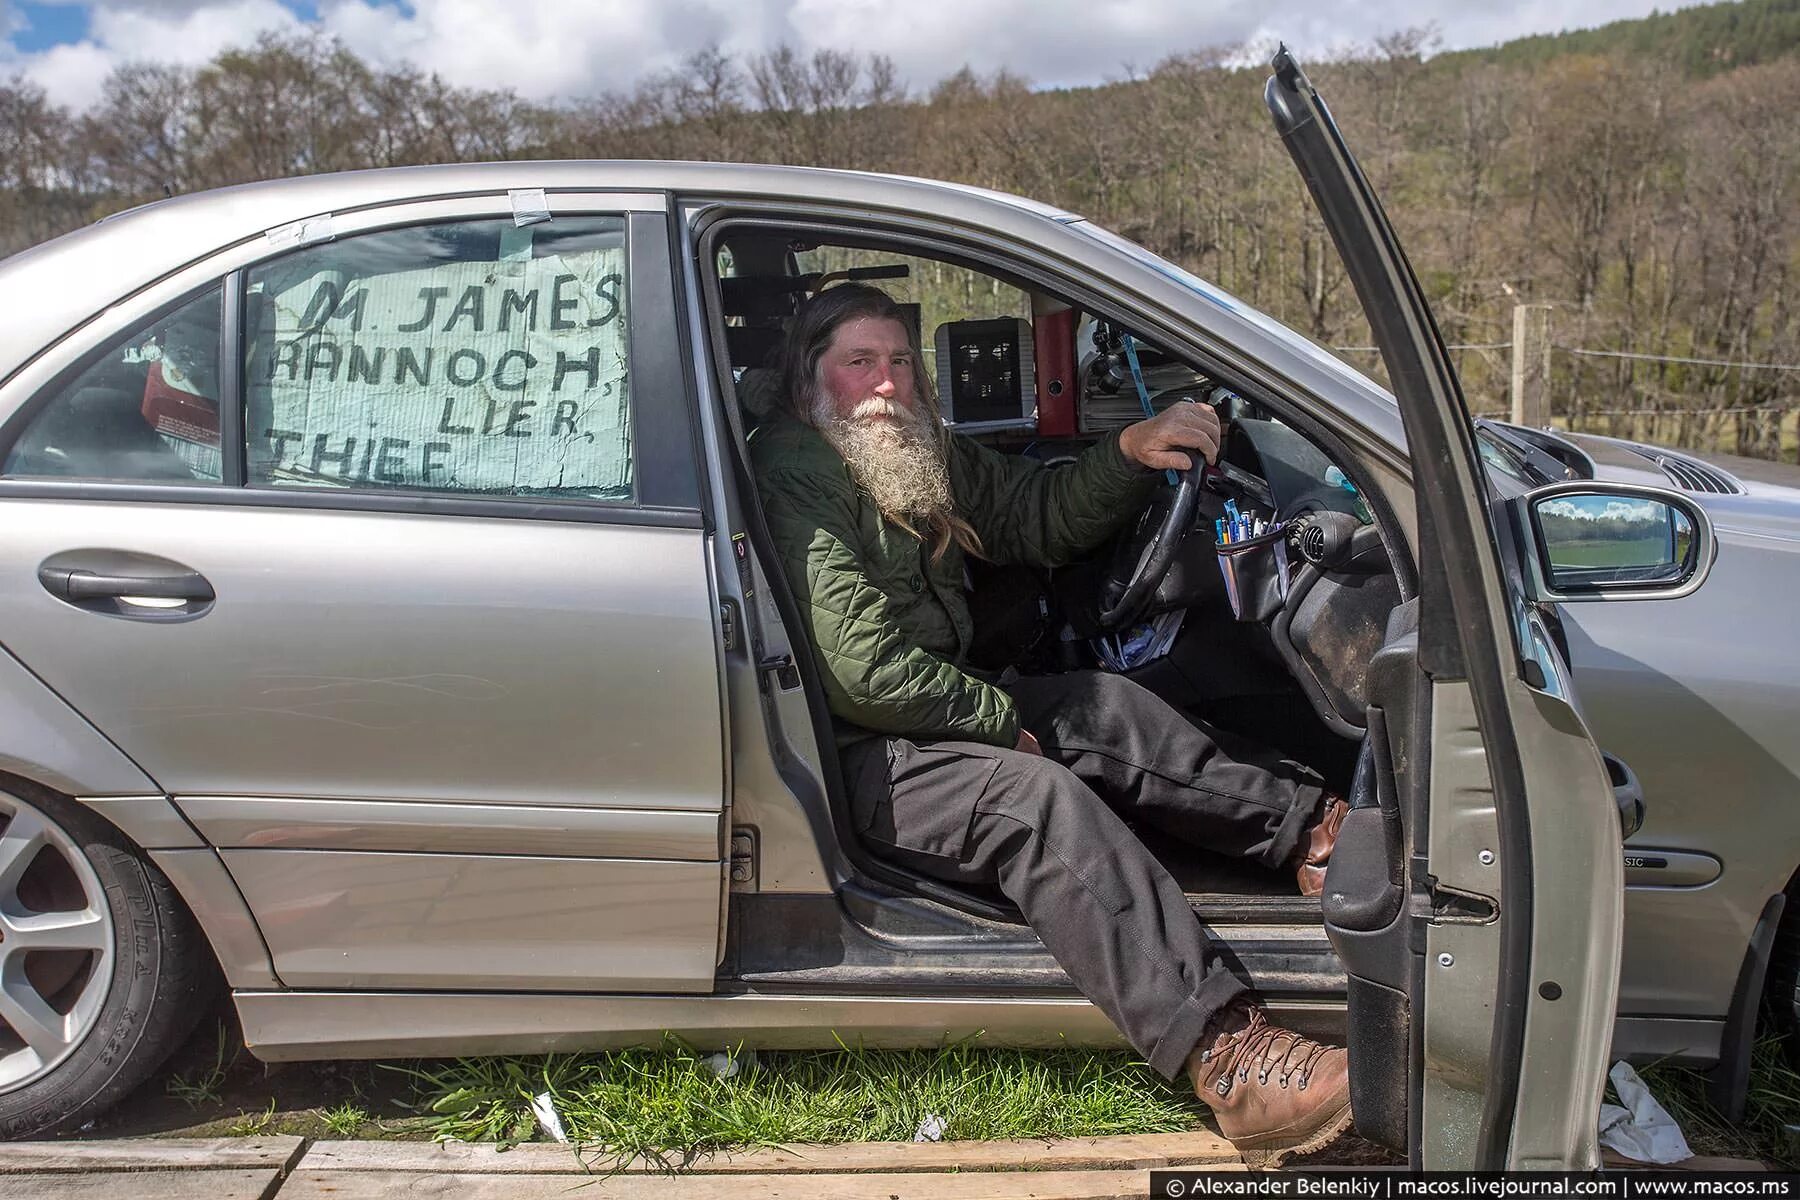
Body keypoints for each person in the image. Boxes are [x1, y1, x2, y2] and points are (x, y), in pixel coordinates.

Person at [748, 283, 1353, 1166]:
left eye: (900, 362)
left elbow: (1035, 515)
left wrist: (1133, 451)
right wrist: (996, 721)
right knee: (1036, 801)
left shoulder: (907, 451)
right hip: (857, 750)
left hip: (932, 704)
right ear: (811, 382)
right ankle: (1232, 1059)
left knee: (1095, 705)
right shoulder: (797, 468)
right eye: (859, 363)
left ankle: (1318, 835)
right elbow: (865, 676)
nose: (887, 384)